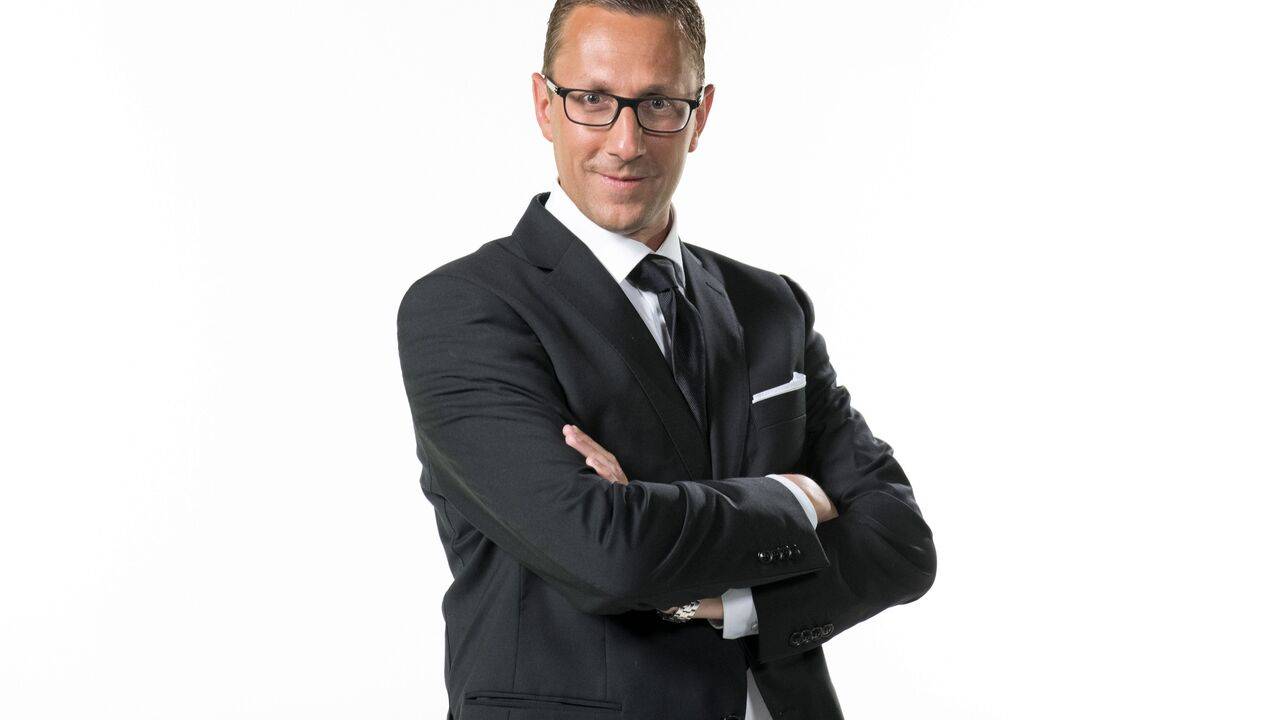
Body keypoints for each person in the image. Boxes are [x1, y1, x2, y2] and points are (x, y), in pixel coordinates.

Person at [396, 2, 937, 718]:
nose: (625, 142)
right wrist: (795, 498)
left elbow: (902, 544)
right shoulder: (465, 310)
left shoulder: (770, 305)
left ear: (700, 114)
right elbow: (607, 554)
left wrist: (737, 602)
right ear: (544, 105)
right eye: (593, 100)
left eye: (657, 105)